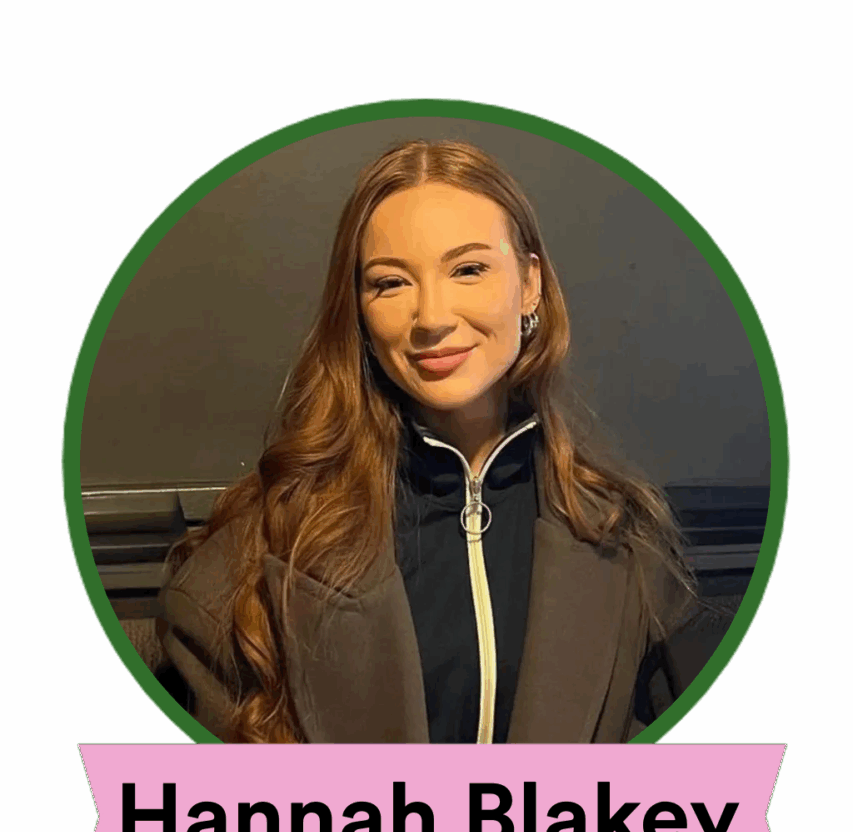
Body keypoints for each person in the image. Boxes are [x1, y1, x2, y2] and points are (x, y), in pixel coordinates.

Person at [157, 138, 719, 745]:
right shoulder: (251, 561)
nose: (431, 316)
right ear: (359, 312)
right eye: (390, 283)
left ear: (529, 283)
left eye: (469, 269)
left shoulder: (630, 547)